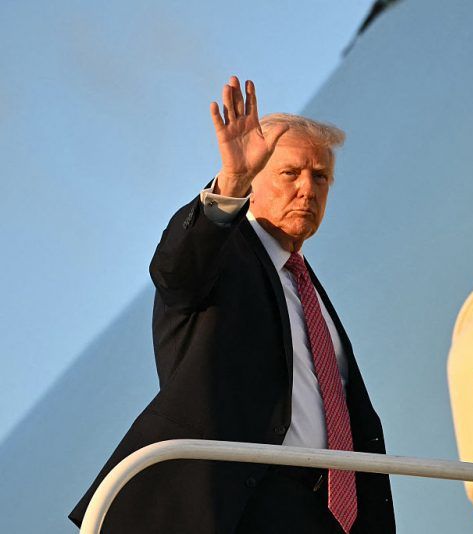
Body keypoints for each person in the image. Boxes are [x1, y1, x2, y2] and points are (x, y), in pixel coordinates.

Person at [69, 76, 395, 533]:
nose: (308, 188)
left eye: (320, 176)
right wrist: (230, 185)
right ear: (255, 180)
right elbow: (176, 273)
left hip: (313, 511)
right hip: (226, 506)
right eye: (290, 173)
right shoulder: (224, 251)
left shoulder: (308, 288)